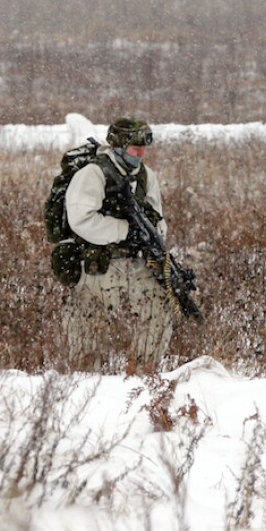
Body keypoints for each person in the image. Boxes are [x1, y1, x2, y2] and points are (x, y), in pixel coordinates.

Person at [62, 117, 174, 373]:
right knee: (86, 323)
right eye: (136, 149)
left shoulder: (146, 175)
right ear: (119, 146)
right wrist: (125, 230)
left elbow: (158, 217)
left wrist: (153, 238)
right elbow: (80, 220)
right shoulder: (93, 173)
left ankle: (144, 377)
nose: (141, 154)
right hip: (98, 262)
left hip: (136, 261)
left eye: (144, 148)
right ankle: (84, 380)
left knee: (158, 310)